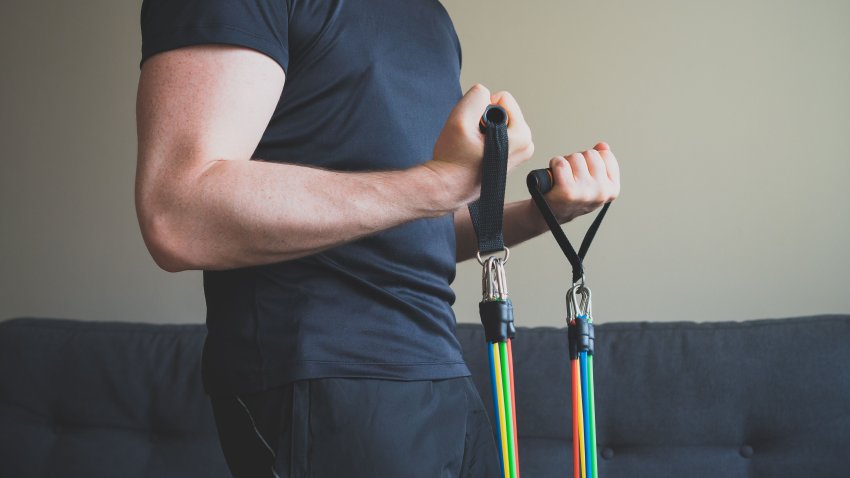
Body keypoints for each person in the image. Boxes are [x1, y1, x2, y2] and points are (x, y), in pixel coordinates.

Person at [135, 0, 620, 477]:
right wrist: (438, 183)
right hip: (326, 377)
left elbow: (418, 225)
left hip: (442, 370)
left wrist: (545, 213)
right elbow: (178, 213)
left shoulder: (430, 17)